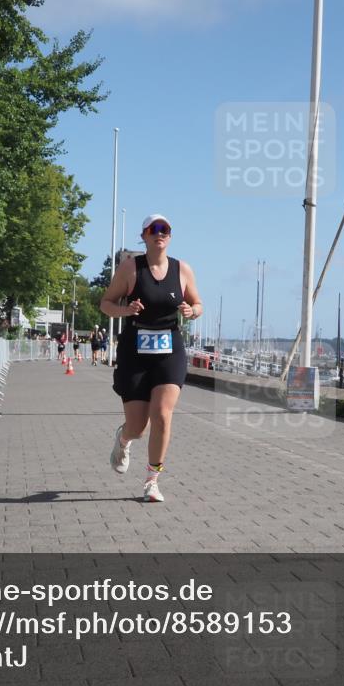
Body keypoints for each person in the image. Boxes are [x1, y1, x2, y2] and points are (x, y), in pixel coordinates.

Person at [100, 214, 202, 503]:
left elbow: (198, 303)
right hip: (135, 350)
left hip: (169, 348)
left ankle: (152, 481)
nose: (159, 233)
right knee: (138, 427)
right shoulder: (131, 268)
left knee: (162, 415)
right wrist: (126, 310)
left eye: (165, 229)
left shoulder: (182, 270)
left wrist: (192, 312)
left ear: (169, 236)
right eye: (153, 229)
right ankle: (123, 440)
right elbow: (106, 304)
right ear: (143, 236)